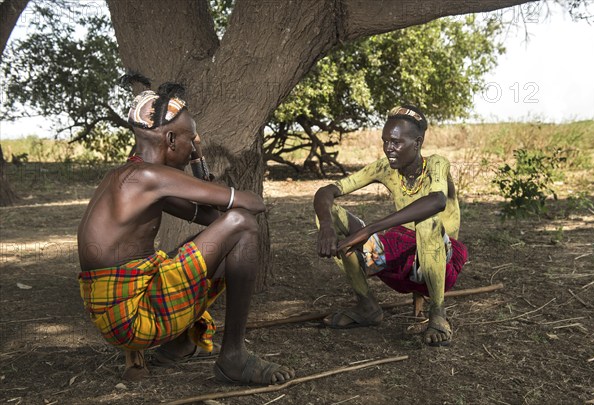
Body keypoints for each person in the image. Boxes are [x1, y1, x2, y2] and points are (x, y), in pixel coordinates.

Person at [77, 77, 294, 384]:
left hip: (120, 315)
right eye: (190, 140)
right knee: (243, 224)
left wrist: (198, 164)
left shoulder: (131, 177)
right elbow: (250, 205)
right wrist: (201, 164)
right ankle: (233, 356)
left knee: (214, 241)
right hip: (131, 320)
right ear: (170, 140)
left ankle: (178, 344)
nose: (193, 147)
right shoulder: (150, 177)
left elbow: (210, 218)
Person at [313, 105, 468, 346]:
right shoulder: (384, 167)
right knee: (329, 213)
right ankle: (367, 306)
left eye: (396, 142)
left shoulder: (437, 164)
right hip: (400, 257)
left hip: (440, 260)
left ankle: (438, 314)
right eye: (385, 141)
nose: (388, 148)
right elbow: (327, 191)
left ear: (417, 143)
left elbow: (436, 201)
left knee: (427, 222)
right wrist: (325, 225)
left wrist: (369, 229)